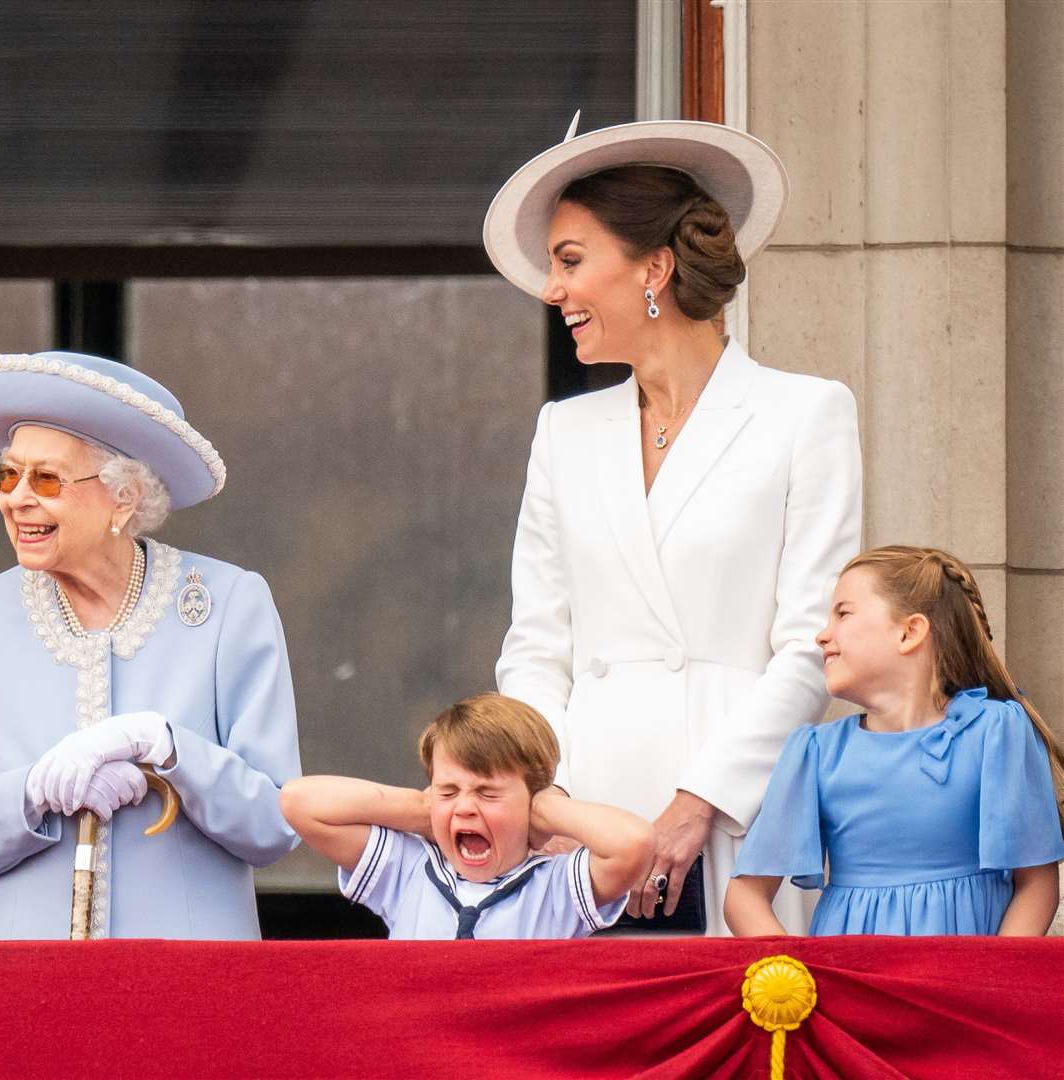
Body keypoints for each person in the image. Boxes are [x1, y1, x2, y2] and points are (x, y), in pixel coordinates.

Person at [482, 118, 864, 934]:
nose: (554, 291)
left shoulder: (805, 414)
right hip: (582, 829)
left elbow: (810, 645)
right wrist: (547, 800)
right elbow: (537, 647)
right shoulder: (564, 432)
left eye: (572, 261)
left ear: (654, 266)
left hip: (735, 815)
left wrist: (701, 803)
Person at [0, 351, 301, 939]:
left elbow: (273, 826)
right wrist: (32, 791)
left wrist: (170, 751)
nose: (16, 498)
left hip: (190, 979)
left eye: (46, 479)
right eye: (7, 476)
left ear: (125, 497)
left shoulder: (229, 604)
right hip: (26, 979)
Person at [725, 546, 1064, 936]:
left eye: (843, 613)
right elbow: (744, 896)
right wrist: (797, 982)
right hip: (854, 987)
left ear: (909, 632)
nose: (821, 635)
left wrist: (988, 983)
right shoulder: (816, 753)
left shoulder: (996, 731)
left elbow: (1036, 885)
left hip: (960, 986)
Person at [281, 692, 651, 939]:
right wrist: (422, 811)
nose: (466, 807)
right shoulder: (408, 872)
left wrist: (544, 809)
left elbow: (634, 844)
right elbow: (299, 802)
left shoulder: (554, 888)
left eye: (488, 793)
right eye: (448, 790)